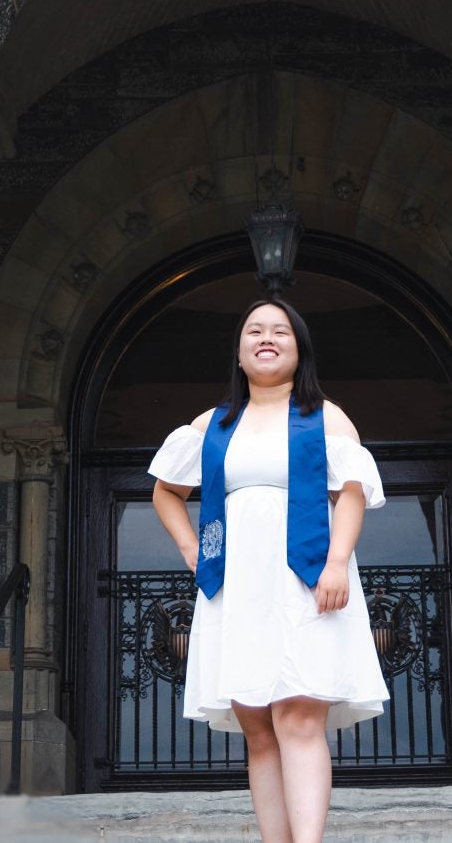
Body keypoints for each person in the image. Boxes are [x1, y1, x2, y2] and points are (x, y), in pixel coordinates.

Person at [148, 297, 390, 843]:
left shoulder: (325, 416)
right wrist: (192, 548)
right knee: (258, 727)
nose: (267, 338)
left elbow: (350, 493)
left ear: (298, 348)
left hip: (306, 579)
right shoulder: (213, 424)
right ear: (238, 353)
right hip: (237, 587)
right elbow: (166, 491)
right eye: (254, 330)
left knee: (300, 716)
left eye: (280, 331)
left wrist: (335, 564)